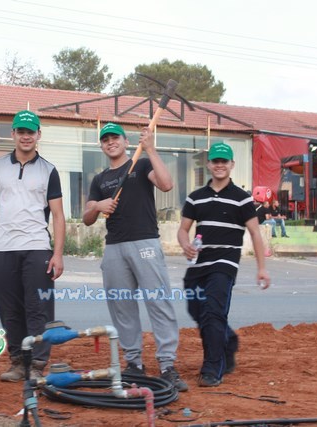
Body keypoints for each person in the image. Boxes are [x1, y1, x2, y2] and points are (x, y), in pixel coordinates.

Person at [82, 122, 188, 392]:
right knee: (122, 306)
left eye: (114, 137)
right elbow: (86, 218)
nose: (110, 142)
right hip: (115, 247)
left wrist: (151, 149)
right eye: (105, 139)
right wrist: (98, 205)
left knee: (158, 302)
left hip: (145, 242)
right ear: (102, 145)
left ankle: (167, 366)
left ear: (125, 141)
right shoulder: (100, 179)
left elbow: (166, 184)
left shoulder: (141, 165)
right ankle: (134, 364)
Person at [0, 110, 65, 382]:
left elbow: (58, 215)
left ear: (38, 135)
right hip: (3, 248)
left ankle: (36, 365)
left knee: (38, 309)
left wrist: (57, 254)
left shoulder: (49, 170)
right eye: (21, 131)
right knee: (9, 309)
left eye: (31, 132)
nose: (26, 136)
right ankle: (17, 363)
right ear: (12, 134)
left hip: (37, 246)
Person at [177, 142, 271, 387]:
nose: (219, 165)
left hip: (224, 265)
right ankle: (228, 340)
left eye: (224, 161)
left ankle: (212, 369)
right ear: (208, 164)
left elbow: (255, 234)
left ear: (232, 165)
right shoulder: (196, 198)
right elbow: (183, 229)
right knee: (197, 312)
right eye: (215, 161)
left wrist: (262, 268)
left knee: (213, 313)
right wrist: (185, 244)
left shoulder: (242, 200)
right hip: (198, 266)